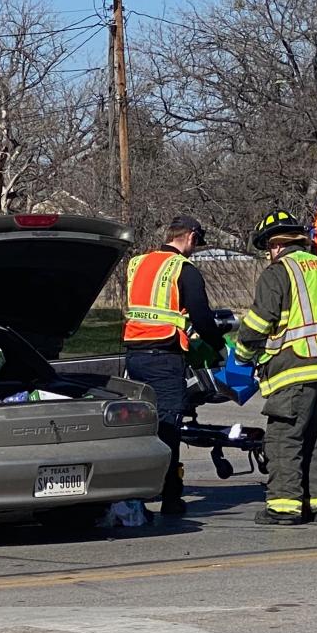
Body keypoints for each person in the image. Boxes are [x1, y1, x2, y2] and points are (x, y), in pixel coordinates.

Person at [237, 209, 317, 525]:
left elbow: (259, 322)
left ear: (275, 245)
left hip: (294, 371)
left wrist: (241, 353)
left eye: (267, 248)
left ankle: (284, 508)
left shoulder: (278, 272)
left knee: (284, 439)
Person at [123, 214, 228, 517]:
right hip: (164, 356)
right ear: (191, 237)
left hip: (134, 355)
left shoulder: (137, 263)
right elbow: (202, 317)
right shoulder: (183, 268)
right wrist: (218, 347)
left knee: (143, 427)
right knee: (168, 428)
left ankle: (135, 493)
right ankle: (170, 497)